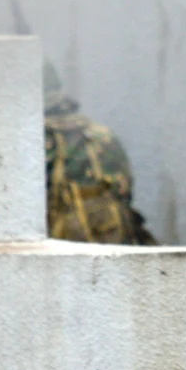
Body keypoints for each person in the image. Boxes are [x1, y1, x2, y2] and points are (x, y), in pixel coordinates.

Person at [43, 62, 156, 245]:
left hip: (61, 251)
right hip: (114, 243)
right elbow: (124, 192)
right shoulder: (101, 135)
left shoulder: (33, 141)